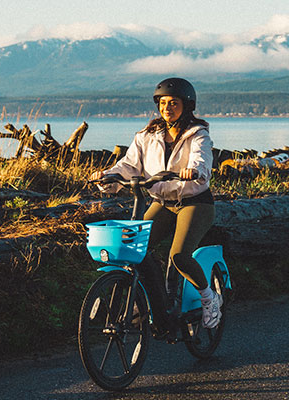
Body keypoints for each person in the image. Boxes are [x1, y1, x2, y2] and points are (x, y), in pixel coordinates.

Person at [90, 77, 221, 329]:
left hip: (195, 202)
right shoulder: (147, 135)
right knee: (133, 250)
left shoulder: (198, 134)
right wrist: (107, 177)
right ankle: (151, 303)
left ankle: (209, 298)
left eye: (173, 103)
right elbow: (128, 165)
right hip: (161, 202)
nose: (167, 108)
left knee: (179, 255)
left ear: (187, 105)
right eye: (162, 103)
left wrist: (194, 171)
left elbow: (201, 159)